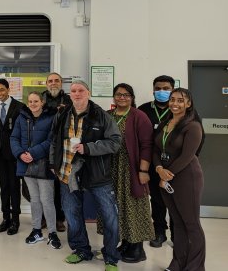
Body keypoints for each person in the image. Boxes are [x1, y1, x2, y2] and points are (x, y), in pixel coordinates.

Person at [49, 80, 121, 271]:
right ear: (69, 94)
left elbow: (115, 142)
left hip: (97, 175)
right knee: (72, 215)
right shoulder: (62, 114)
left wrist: (88, 148)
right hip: (67, 173)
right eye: (73, 91)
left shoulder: (101, 115)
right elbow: (54, 141)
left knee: (110, 217)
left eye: (81, 90)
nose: (77, 93)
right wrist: (52, 163)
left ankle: (111, 257)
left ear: (88, 93)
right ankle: (82, 250)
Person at [153, 88, 205, 271]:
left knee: (191, 224)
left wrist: (166, 176)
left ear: (188, 104)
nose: (175, 103)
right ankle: (177, 264)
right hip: (165, 177)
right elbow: (156, 149)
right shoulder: (165, 123)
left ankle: (195, 267)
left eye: (180, 100)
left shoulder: (193, 126)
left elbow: (187, 156)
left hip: (186, 177)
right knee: (178, 222)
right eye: (172, 99)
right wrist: (159, 169)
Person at [102, 83, 154, 263]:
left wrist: (143, 170)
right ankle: (125, 242)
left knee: (134, 206)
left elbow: (147, 145)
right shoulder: (108, 115)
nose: (121, 98)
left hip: (131, 169)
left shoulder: (139, 116)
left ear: (131, 97)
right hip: (111, 169)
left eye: (126, 95)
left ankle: (137, 248)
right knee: (117, 206)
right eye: (118, 94)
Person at [10, 92, 61, 248]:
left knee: (47, 200)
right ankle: (37, 230)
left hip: (45, 165)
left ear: (42, 102)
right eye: (30, 101)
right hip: (26, 165)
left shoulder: (52, 117)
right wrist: (20, 154)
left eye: (36, 101)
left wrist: (33, 153)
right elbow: (14, 138)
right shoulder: (21, 117)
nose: (33, 104)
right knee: (34, 199)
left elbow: (52, 140)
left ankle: (52, 233)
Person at [138, 75, 174, 247]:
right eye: (158, 88)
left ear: (172, 89)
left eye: (166, 88)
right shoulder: (144, 109)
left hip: (175, 164)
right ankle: (159, 232)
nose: (162, 91)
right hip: (151, 162)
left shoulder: (179, 109)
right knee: (157, 199)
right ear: (153, 90)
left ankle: (177, 235)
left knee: (175, 200)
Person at [0, 78, 24, 235]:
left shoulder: (20, 107)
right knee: (4, 186)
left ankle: (15, 220)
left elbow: (23, 131)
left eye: (2, 90)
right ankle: (6, 218)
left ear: (8, 89)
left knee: (14, 186)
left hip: (15, 153)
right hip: (0, 153)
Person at [42, 72, 70, 232]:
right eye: (50, 81)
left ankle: (60, 219)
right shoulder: (40, 99)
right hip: (43, 147)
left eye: (56, 81)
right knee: (44, 186)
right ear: (46, 84)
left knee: (60, 187)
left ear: (61, 83)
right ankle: (45, 217)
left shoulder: (68, 101)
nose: (53, 83)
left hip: (62, 149)